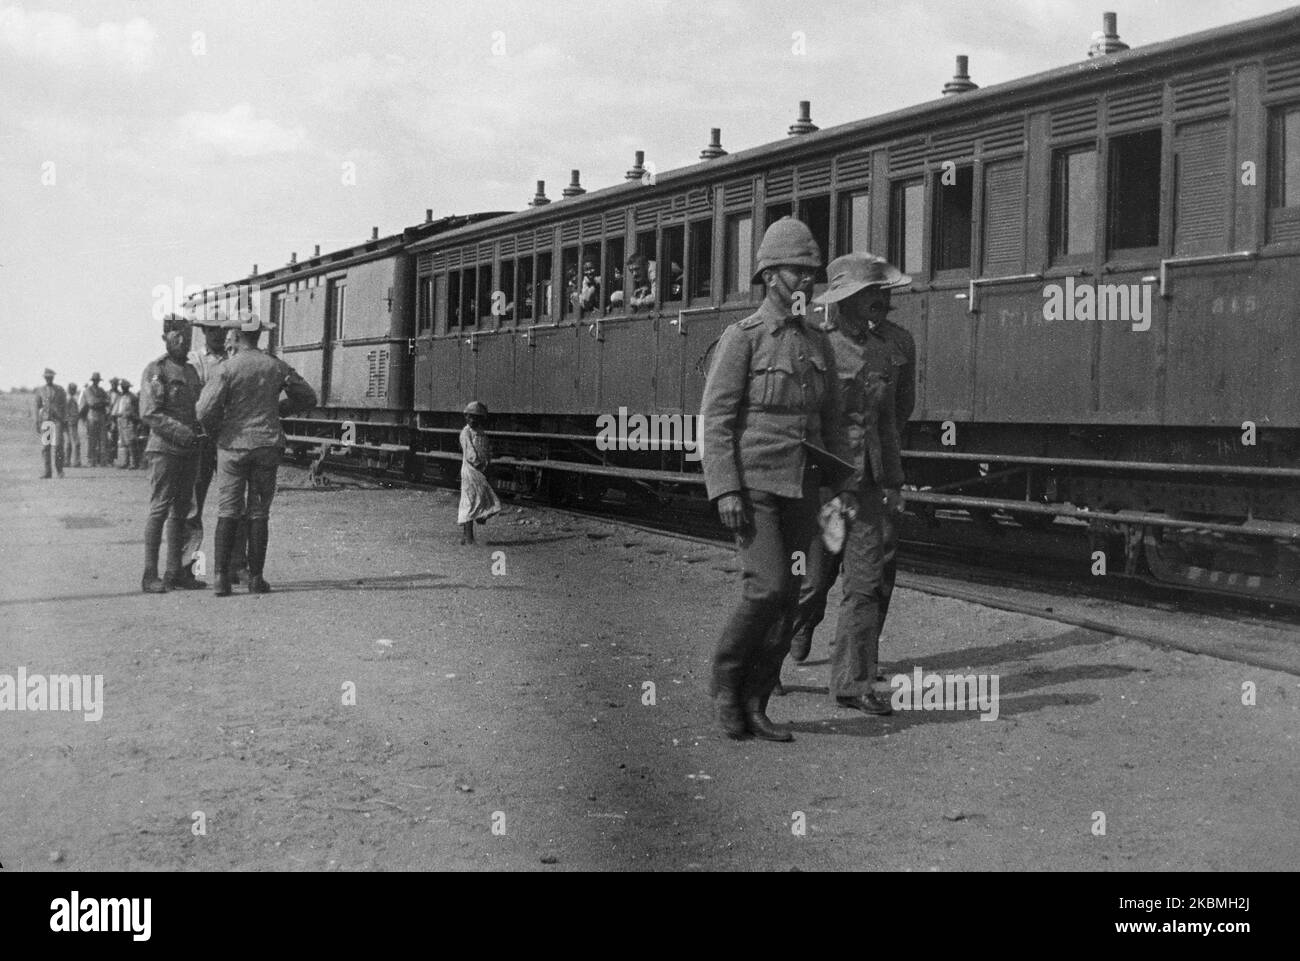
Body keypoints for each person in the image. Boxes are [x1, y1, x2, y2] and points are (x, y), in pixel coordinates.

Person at [699, 217, 853, 742]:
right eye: (797, 270)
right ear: (770, 275)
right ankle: (725, 685)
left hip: (804, 487)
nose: (807, 281)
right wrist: (725, 489)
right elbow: (716, 419)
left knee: (797, 594)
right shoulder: (742, 338)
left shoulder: (819, 342)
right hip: (755, 486)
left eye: (812, 272)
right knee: (765, 588)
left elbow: (831, 422)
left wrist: (838, 487)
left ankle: (756, 702)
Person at [781, 253, 909, 715]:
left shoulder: (881, 351)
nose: (880, 301)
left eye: (880, 292)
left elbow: (888, 423)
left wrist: (893, 481)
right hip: (823, 488)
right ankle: (768, 662)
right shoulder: (816, 347)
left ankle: (852, 685)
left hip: (868, 487)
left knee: (865, 584)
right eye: (870, 293)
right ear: (847, 299)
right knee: (808, 582)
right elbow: (799, 421)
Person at [196, 311, 317, 596]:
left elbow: (203, 410)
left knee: (228, 510)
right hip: (266, 446)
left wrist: (218, 432)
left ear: (237, 336)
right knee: (259, 512)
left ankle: (221, 579)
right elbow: (308, 397)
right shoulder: (276, 366)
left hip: (232, 447)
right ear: (258, 335)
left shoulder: (226, 369)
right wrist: (277, 411)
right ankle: (256, 578)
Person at [138, 314, 204, 592]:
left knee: (181, 512)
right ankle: (150, 575)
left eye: (187, 335)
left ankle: (175, 572)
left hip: (189, 451)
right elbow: (150, 413)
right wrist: (184, 434)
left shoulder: (191, 372)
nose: (183, 340)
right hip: (165, 449)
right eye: (176, 335)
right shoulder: (156, 370)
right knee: (160, 509)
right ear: (165, 337)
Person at [457, 401, 501, 544]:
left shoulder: (481, 433)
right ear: (466, 417)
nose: (473, 419)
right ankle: (468, 537)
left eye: (476, 417)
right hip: (471, 471)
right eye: (470, 417)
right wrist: (479, 463)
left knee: (481, 498)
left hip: (479, 471)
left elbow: (487, 449)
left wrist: (488, 461)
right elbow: (470, 452)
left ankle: (469, 532)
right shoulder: (466, 432)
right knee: (469, 502)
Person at [34, 368, 67, 479]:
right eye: (47, 377)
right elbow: (36, 407)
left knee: (58, 446)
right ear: (44, 378)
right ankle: (47, 472)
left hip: (57, 421)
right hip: (46, 421)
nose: (49, 378)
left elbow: (64, 406)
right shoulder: (40, 390)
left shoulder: (60, 390)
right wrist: (37, 422)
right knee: (45, 447)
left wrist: (64, 420)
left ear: (53, 377)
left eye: (50, 377)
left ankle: (59, 470)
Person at [80, 372, 110, 466]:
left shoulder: (101, 390)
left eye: (97, 380)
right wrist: (102, 402)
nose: (96, 382)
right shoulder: (88, 390)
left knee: (103, 439)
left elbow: (108, 401)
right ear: (93, 381)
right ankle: (91, 460)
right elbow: (91, 402)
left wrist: (100, 402)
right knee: (92, 440)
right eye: (95, 380)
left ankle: (102, 461)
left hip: (101, 416)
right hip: (91, 417)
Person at [112, 379, 140, 469]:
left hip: (129, 421)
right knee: (123, 442)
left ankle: (134, 463)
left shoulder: (132, 397)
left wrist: (133, 417)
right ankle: (125, 462)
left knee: (131, 442)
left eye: (125, 386)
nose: (123, 388)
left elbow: (136, 410)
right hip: (120, 421)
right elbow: (115, 409)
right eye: (122, 386)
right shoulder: (119, 397)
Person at [63, 383, 82, 468]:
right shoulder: (69, 399)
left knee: (69, 442)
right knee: (76, 442)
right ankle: (76, 462)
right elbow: (66, 412)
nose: (74, 391)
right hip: (71, 423)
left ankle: (67, 461)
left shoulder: (69, 399)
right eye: (73, 389)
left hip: (70, 422)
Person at [106, 378, 121, 464]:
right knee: (109, 439)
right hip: (108, 418)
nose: (114, 385)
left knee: (114, 439)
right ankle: (108, 458)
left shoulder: (120, 394)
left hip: (116, 418)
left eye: (116, 383)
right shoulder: (107, 394)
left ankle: (112, 458)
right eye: (113, 383)